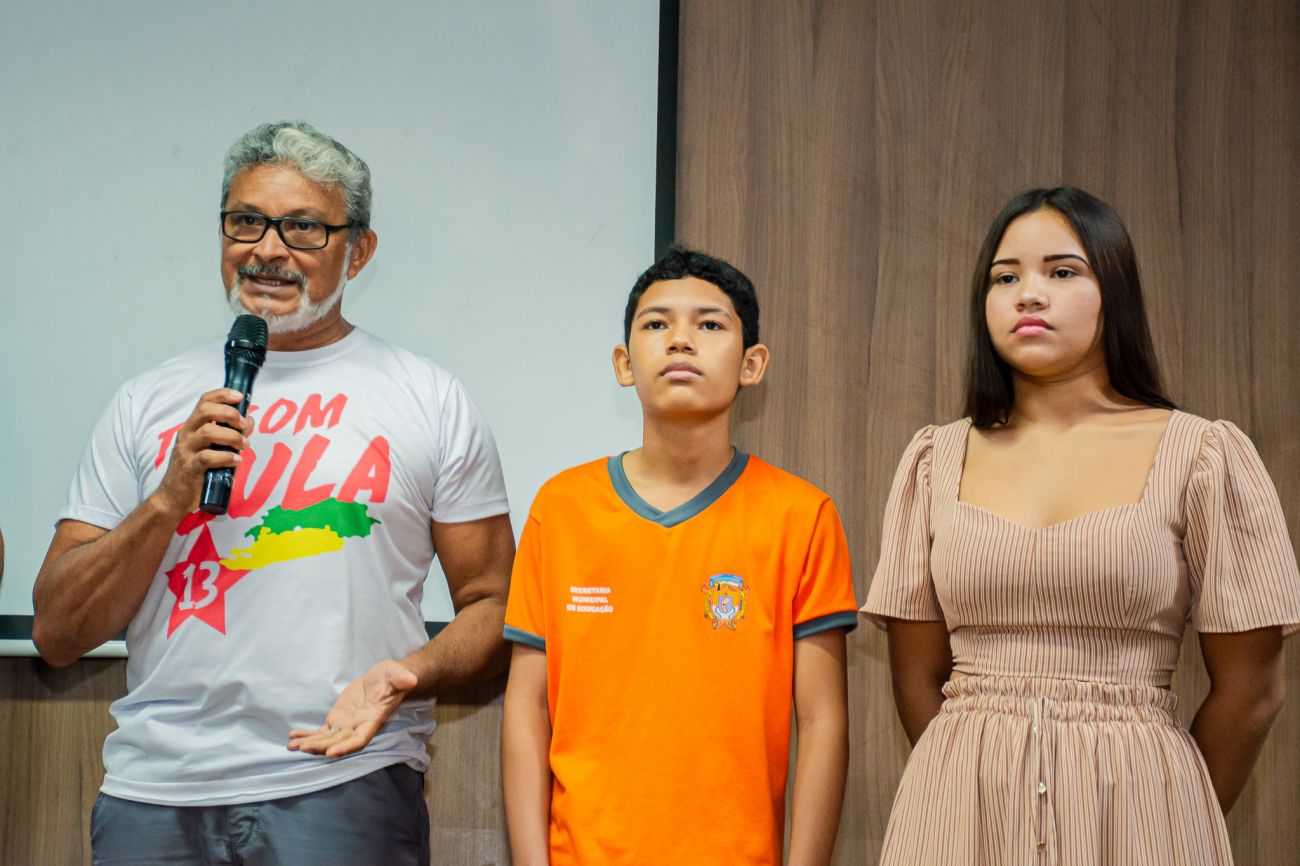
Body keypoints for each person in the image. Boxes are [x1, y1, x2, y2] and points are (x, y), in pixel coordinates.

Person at [32, 120, 515, 866]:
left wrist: (410, 673)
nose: (268, 248)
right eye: (247, 221)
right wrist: (166, 501)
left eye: (303, 228)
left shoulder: (429, 397)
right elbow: (58, 631)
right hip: (154, 793)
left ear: (359, 250)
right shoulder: (145, 400)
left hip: (344, 779)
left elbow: (495, 603)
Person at [862, 186, 1300, 865]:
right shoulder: (933, 460)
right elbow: (917, 679)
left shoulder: (1202, 455)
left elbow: (1253, 692)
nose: (1028, 295)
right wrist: (973, 781)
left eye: (1062, 271)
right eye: (1005, 278)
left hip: (1141, 817)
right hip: (959, 815)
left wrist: (1167, 808)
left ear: (1114, 291)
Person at [501, 247, 858, 866]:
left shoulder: (801, 516)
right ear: (624, 363)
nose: (681, 340)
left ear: (752, 364)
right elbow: (526, 706)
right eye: (656, 323)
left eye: (710, 324)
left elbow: (824, 721)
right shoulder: (561, 508)